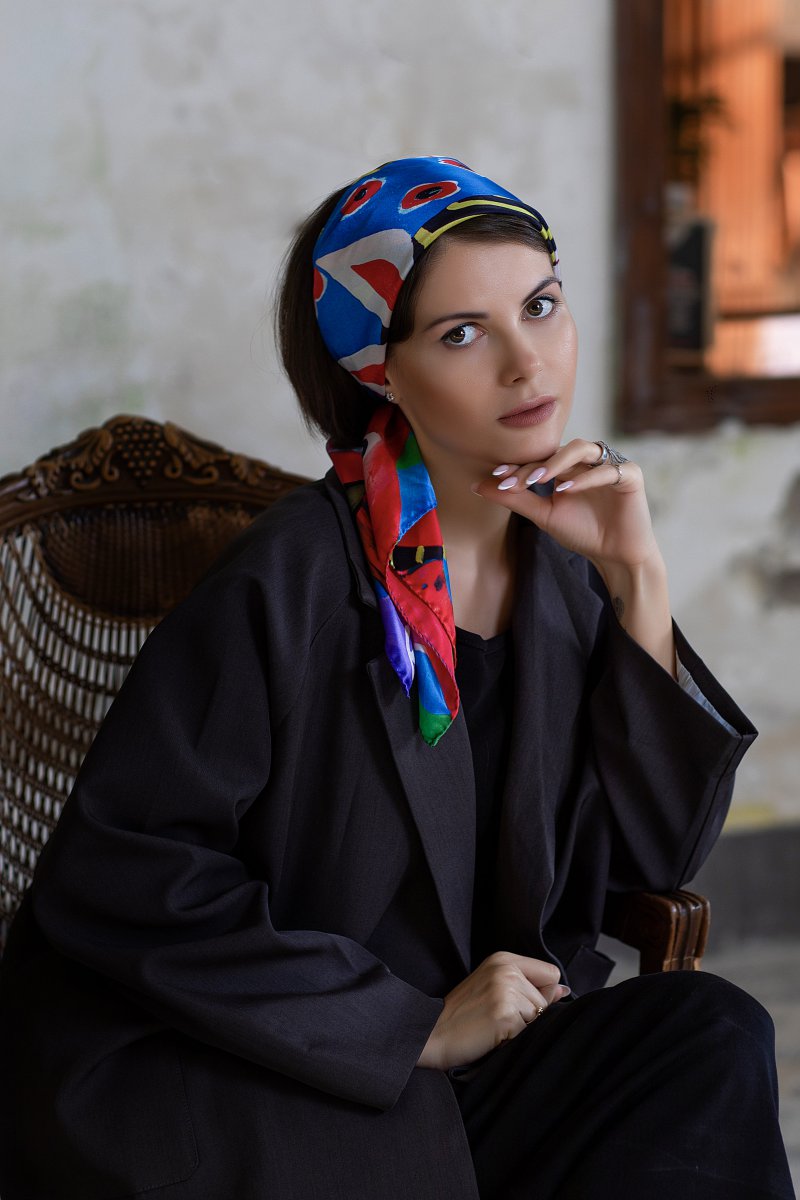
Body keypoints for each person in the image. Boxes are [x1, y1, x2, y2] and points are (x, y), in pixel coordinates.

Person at [0, 156, 794, 1200]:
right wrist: (407, 1024)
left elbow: (649, 859)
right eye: (462, 333)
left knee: (710, 1034)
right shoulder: (289, 582)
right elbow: (125, 876)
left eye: (540, 306)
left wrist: (635, 577)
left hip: (471, 1053)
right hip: (255, 1057)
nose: (527, 364)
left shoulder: (563, 573)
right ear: (381, 370)